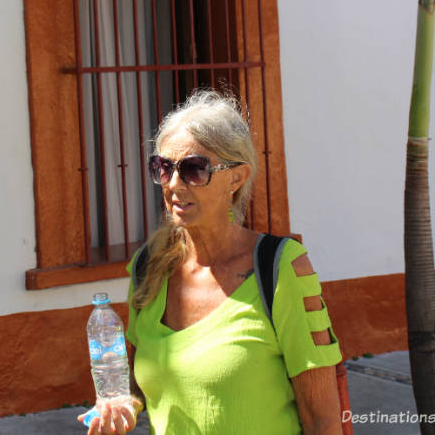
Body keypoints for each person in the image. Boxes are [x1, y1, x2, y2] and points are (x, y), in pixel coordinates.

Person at [85, 90, 342, 434]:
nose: (174, 184)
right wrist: (125, 406)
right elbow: (138, 373)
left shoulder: (280, 269)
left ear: (236, 178)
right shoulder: (149, 266)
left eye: (193, 169)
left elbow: (322, 418)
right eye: (163, 167)